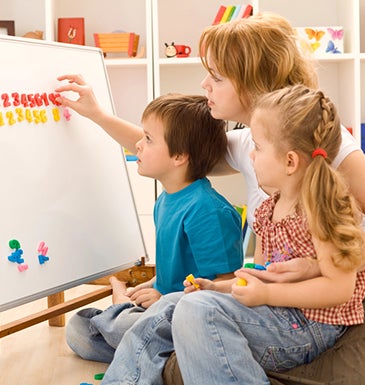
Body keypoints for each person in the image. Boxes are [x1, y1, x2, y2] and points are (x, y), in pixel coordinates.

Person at [57, 11, 365, 385]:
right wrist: (98, 115)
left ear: (253, 83)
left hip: (360, 282)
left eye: (216, 77)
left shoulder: (317, 143)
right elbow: (167, 149)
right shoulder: (252, 143)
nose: (204, 85)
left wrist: (318, 266)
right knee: (185, 321)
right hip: (282, 301)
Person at [77, 83, 365, 385]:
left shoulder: (324, 208)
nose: (250, 155)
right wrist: (219, 288)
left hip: (307, 328)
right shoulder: (269, 208)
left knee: (193, 311)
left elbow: (339, 288)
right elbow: (257, 275)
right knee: (179, 303)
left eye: (257, 147)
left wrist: (266, 294)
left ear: (290, 161)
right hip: (275, 315)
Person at [65, 94, 244, 363]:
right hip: (157, 312)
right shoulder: (165, 200)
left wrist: (163, 298)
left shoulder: (208, 211)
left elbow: (223, 286)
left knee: (116, 327)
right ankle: (149, 349)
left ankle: (137, 335)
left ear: (179, 156)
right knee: (78, 329)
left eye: (148, 139)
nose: (138, 144)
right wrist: (151, 285)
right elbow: (174, 270)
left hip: (189, 317)